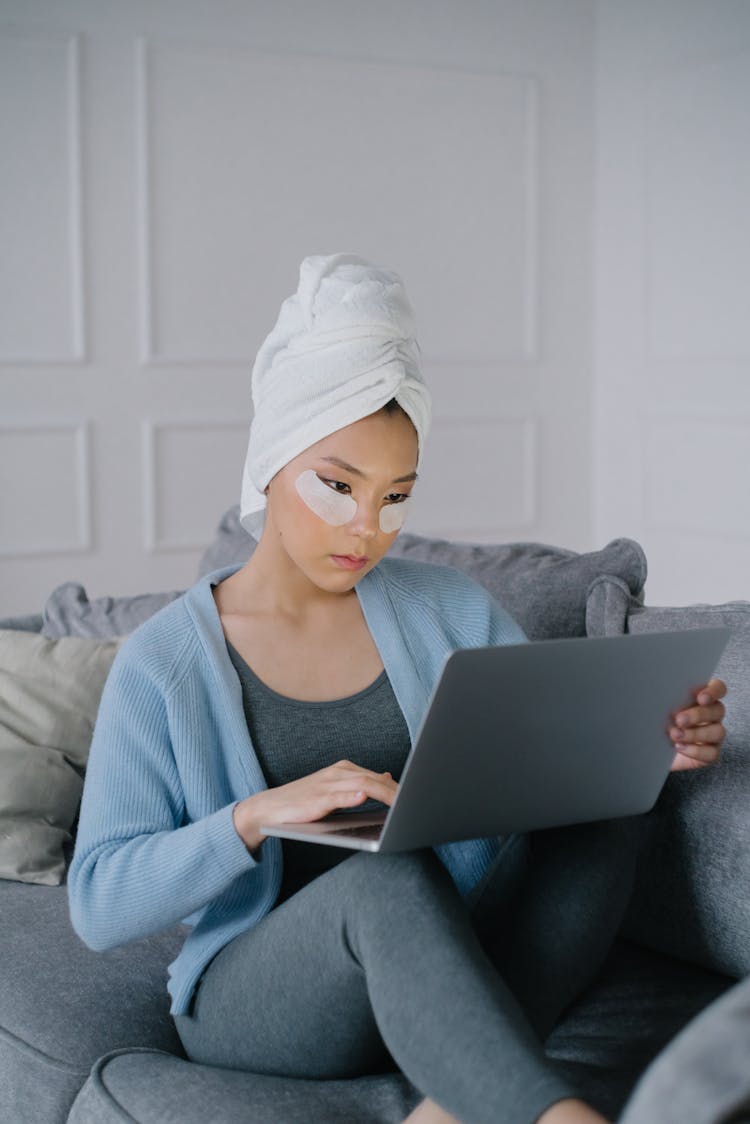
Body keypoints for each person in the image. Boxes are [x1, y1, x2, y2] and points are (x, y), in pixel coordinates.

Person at [68, 253, 728, 1124]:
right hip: (267, 1001)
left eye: (395, 497)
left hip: (451, 958)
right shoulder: (163, 664)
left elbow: (538, 774)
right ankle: (544, 1111)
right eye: (338, 487)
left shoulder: (450, 607)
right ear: (270, 462)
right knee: (383, 875)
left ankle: (451, 1097)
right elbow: (98, 902)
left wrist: (647, 742)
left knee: (611, 817)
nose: (365, 530)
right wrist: (255, 816)